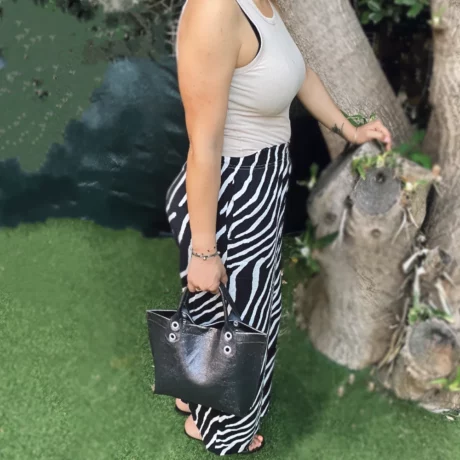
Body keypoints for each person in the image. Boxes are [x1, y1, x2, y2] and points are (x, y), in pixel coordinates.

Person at [165, 0, 392, 455]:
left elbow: (297, 72)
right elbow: (204, 146)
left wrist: (349, 131)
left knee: (222, 307)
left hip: (260, 185)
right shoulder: (214, 11)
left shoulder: (261, 3)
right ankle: (222, 428)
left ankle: (194, 393)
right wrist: (204, 251)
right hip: (230, 193)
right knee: (242, 317)